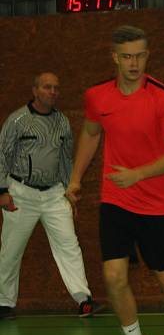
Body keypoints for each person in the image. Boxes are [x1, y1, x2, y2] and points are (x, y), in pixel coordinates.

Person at [66, 25, 164, 335]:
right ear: (115, 58)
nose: (133, 63)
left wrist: (137, 174)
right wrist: (76, 178)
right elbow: (91, 133)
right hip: (116, 200)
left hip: (157, 203)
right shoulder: (98, 97)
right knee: (113, 277)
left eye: (139, 55)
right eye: (126, 56)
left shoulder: (162, 98)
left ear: (147, 56)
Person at [0, 72, 101, 320]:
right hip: (21, 193)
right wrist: (2, 191)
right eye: (47, 87)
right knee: (11, 250)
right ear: (35, 90)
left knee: (69, 245)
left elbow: (66, 160)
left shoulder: (63, 122)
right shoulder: (17, 121)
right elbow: (2, 155)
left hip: (55, 194)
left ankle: (83, 300)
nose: (53, 92)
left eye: (56, 88)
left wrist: (69, 191)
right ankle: (3, 302)